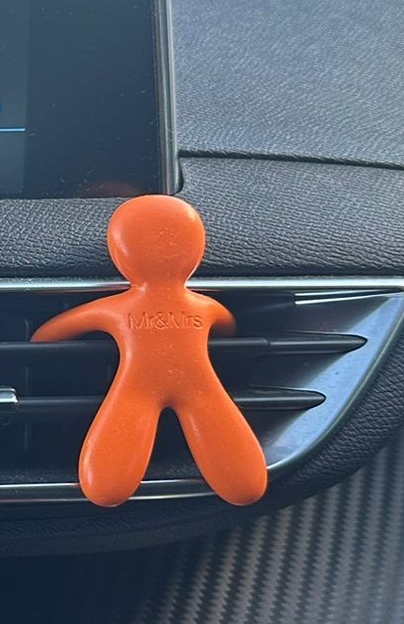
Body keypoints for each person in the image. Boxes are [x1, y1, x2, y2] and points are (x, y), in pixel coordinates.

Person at [32, 195, 268, 507]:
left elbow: (51, 333)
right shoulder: (204, 306)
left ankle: (109, 486)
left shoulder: (114, 308)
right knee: (221, 430)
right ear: (194, 250)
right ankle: (241, 482)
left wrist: (39, 341)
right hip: (200, 385)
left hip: (136, 387)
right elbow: (228, 325)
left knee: (111, 476)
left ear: (121, 252)